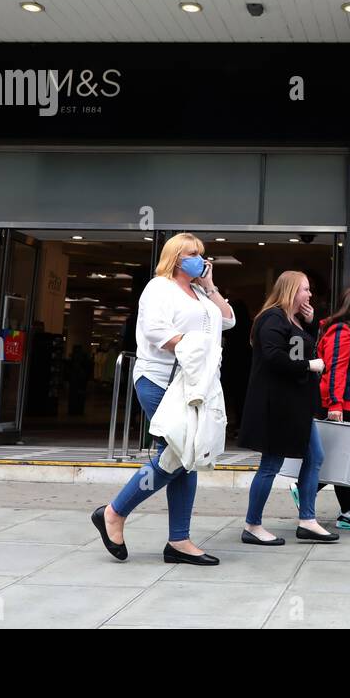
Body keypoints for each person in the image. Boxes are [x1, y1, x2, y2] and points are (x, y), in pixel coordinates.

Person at [91, 232, 234, 566]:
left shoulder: (200, 291)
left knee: (188, 456)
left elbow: (228, 320)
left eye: (202, 253)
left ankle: (179, 540)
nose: (199, 258)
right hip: (161, 379)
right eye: (191, 253)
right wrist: (196, 347)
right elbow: (157, 331)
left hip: (194, 384)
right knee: (177, 451)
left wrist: (210, 286)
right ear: (175, 256)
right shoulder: (159, 287)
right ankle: (114, 512)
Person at [238, 271, 339, 545]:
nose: (309, 295)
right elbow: (274, 357)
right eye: (305, 289)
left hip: (296, 405)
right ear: (291, 291)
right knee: (271, 463)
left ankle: (307, 520)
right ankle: (252, 524)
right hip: (277, 405)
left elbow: (296, 349)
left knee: (315, 456)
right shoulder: (272, 318)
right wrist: (311, 365)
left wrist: (309, 324)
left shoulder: (292, 320)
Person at [292, 285, 350, 531]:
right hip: (345, 403)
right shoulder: (341, 331)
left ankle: (347, 510)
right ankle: (342, 507)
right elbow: (335, 369)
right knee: (345, 458)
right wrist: (335, 404)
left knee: (345, 458)